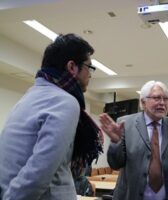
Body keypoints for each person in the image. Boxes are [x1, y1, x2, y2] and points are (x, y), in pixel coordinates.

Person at [0, 33, 102, 200]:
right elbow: (39, 171)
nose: (90, 75)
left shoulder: (30, 95)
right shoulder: (65, 102)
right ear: (72, 67)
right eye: (89, 67)